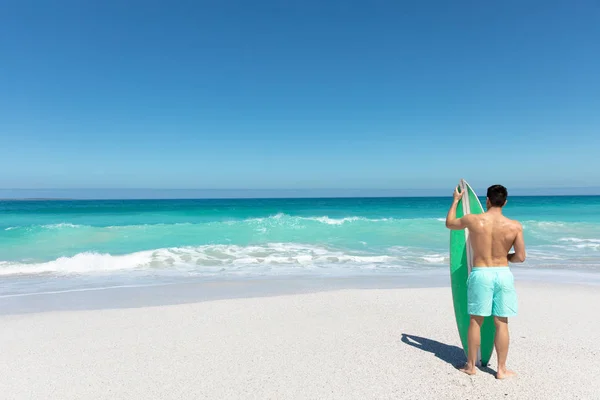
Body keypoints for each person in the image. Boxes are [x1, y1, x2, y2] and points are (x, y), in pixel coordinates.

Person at [445, 184, 526, 379]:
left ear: (487, 200)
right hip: (503, 274)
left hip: (481, 273)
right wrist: (506, 258)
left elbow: (450, 224)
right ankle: (501, 369)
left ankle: (471, 366)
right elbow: (521, 257)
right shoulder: (514, 226)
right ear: (505, 202)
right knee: (502, 322)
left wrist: (456, 200)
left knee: (475, 320)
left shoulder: (474, 220)